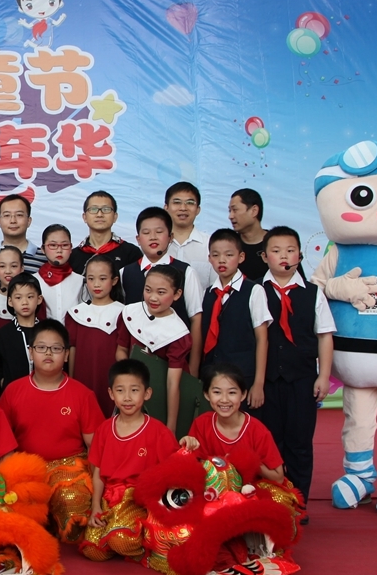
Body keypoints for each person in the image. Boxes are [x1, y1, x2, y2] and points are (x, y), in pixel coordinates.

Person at [0, 319, 103, 541]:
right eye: (41, 347)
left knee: (72, 504)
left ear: (66, 355)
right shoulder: (13, 391)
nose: (48, 353)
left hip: (69, 468)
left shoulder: (82, 394)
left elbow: (96, 447)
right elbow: (1, 445)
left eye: (56, 348)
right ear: (31, 352)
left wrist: (99, 498)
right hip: (27, 468)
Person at [261, 226, 334, 508]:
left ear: (300, 256)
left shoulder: (313, 293)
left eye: (290, 250)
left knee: (300, 443)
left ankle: (298, 503)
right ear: (264, 256)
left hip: (302, 379)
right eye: (276, 251)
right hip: (266, 382)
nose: (284, 256)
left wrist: (323, 376)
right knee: (270, 443)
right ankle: (272, 503)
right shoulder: (255, 290)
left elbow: (324, 335)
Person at [81, 359, 180, 562]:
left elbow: (172, 475)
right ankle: (116, 532)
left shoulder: (158, 431)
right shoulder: (105, 429)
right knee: (92, 551)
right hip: (109, 500)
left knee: (120, 541)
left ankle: (146, 542)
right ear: (111, 394)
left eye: (134, 390)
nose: (127, 397)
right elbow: (98, 472)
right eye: (120, 390)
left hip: (138, 502)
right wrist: (96, 506)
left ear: (147, 393)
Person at [120, 206, 203, 374]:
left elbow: (196, 320)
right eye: (146, 232)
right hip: (135, 367)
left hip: (175, 365)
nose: (153, 237)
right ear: (138, 239)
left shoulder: (186, 272)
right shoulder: (125, 273)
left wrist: (193, 370)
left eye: (159, 232)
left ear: (170, 237)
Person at [200, 229, 271, 408]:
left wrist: (259, 383)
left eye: (229, 255)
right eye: (216, 255)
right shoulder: (208, 293)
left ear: (241, 257)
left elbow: (262, 339)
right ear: (209, 258)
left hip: (243, 377)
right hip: (212, 376)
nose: (222, 260)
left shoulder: (254, 291)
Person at [116, 266, 192, 432]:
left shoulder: (177, 332)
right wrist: (129, 381)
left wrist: (171, 426)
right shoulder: (130, 313)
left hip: (161, 395)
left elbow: (173, 383)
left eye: (161, 292)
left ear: (177, 294)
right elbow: (121, 350)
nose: (153, 297)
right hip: (131, 391)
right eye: (148, 290)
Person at [180, 363, 284, 484]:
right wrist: (187, 448)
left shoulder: (257, 431)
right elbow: (192, 466)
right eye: (217, 392)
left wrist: (250, 461)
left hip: (250, 491)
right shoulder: (201, 424)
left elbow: (279, 477)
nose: (224, 400)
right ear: (207, 394)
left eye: (232, 393)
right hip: (212, 490)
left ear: (243, 395)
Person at [65, 254, 125, 417]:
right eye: (91, 279)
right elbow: (72, 350)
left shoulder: (123, 313)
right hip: (83, 376)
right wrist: (71, 382)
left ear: (114, 280)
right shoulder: (76, 313)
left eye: (102, 278)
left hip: (110, 377)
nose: (96, 284)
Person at [0, 195, 48, 292]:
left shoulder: (44, 258)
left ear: (29, 221)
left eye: (19, 215)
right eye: (7, 215)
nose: (13, 221)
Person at [0, 272, 42, 399]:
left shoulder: (47, 332)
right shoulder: (3, 334)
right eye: (18, 297)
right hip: (13, 397)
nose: (25, 302)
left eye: (30, 297)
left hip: (44, 394)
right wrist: (2, 382)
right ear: (10, 301)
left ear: (39, 299)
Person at [69, 191, 143, 275]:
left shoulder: (131, 253)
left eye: (106, 209)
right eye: (93, 209)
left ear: (115, 216)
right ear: (85, 217)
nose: (99, 214)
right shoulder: (72, 256)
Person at [164, 181, 215, 292]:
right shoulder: (156, 245)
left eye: (190, 203)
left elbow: (216, 288)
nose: (183, 208)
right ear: (166, 207)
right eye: (177, 202)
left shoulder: (210, 245)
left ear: (198, 210)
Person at [37, 224, 84, 319]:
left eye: (65, 245)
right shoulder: (34, 281)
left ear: (71, 248)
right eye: (53, 245)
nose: (59, 250)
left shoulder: (81, 281)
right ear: (43, 249)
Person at [229, 188, 270, 281]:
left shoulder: (277, 242)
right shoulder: (230, 244)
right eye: (229, 211)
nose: (230, 216)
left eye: (235, 210)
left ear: (254, 211)